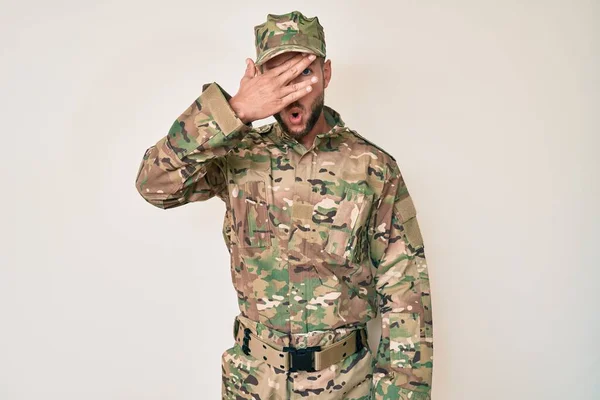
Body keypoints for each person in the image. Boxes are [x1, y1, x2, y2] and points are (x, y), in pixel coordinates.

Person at [135, 10, 434, 400]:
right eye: (278, 77)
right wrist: (234, 111)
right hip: (252, 385)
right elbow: (154, 185)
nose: (292, 90)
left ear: (327, 73)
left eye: (304, 74)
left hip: (343, 387)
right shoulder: (236, 153)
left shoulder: (372, 168)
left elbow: (407, 299)